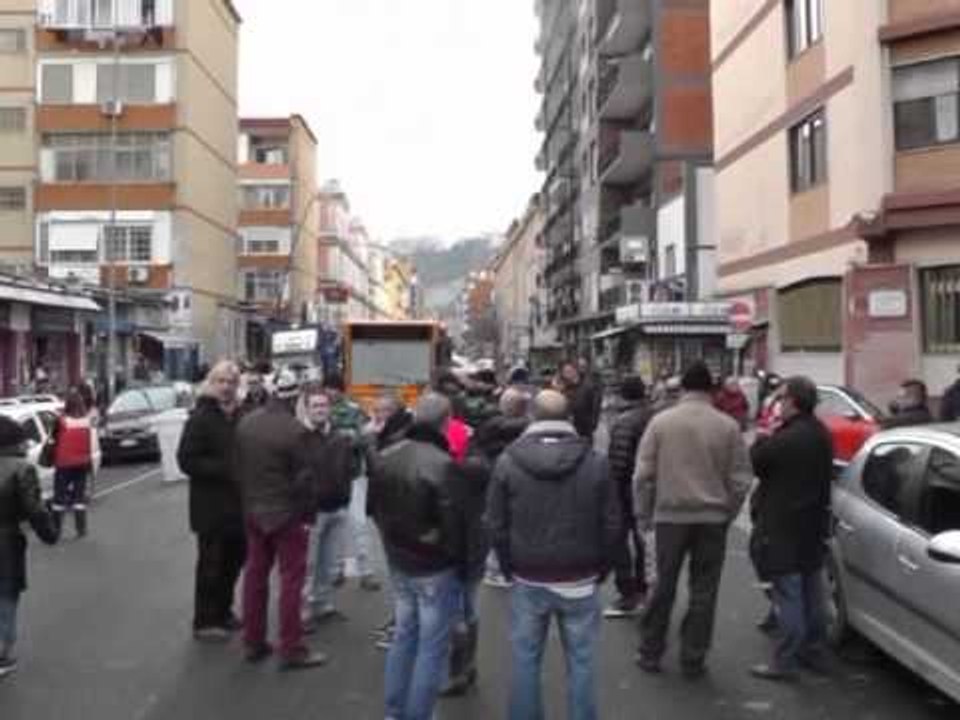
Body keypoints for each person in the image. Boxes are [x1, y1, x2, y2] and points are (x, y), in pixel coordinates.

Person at [487, 390, 620, 720]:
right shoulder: (595, 462)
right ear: (569, 419)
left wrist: (507, 566)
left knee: (525, 658)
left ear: (533, 417)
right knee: (582, 660)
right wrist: (602, 566)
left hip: (528, 573)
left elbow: (496, 524)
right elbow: (612, 523)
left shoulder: (508, 461)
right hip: (580, 574)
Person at [634, 361, 752, 678]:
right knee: (704, 590)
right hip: (711, 519)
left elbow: (643, 477)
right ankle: (693, 656)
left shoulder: (661, 423)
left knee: (663, 585)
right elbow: (741, 480)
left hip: (670, 516)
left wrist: (644, 515)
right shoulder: (727, 426)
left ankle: (651, 651)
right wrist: (727, 514)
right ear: (711, 391)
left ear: (682, 388)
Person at [368, 393, 466, 720]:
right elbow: (452, 523)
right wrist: (456, 560)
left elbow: (375, 509)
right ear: (446, 420)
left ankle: (395, 712)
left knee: (405, 637)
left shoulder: (387, 455)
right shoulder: (443, 463)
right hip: (433, 565)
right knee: (430, 647)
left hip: (400, 559)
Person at [442, 387, 532, 696]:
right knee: (466, 607)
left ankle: (458, 670)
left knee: (454, 610)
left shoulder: (462, 452)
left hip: (450, 546)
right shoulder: (481, 450)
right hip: (475, 542)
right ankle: (465, 667)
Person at [235, 372, 327, 670]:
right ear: (294, 396)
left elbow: (238, 468)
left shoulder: (246, 424)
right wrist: (308, 516)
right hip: (286, 515)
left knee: (255, 577)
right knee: (291, 581)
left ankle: (253, 641)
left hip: (254, 511)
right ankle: (291, 647)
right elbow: (305, 480)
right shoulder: (295, 431)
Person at [749, 376, 833, 681]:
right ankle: (814, 651)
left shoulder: (785, 438)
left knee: (789, 595)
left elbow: (756, 462)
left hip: (783, 525)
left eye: (782, 399)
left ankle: (785, 661)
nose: (778, 404)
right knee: (813, 594)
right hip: (812, 525)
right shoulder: (821, 433)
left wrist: (762, 436)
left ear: (793, 402)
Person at [177, 361, 246, 641]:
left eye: (231, 382)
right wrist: (225, 468)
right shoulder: (201, 417)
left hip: (239, 506)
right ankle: (204, 621)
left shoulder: (240, 414)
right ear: (211, 383)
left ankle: (224, 611)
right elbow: (186, 460)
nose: (226, 387)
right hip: (210, 507)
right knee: (211, 565)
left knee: (234, 562)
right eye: (221, 381)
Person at [0, 416, 60, 679]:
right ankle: (3, 653)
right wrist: (50, 533)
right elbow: (34, 510)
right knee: (6, 596)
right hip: (6, 542)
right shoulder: (22, 469)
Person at [299, 388, 355, 626]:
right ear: (307, 409)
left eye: (323, 405)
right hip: (312, 511)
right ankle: (303, 612)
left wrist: (345, 493)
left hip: (338, 506)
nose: (320, 410)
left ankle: (323, 604)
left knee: (329, 562)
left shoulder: (340, 437)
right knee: (308, 564)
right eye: (315, 406)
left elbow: (350, 467)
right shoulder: (299, 437)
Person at [603, 376, 653, 618]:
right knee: (643, 539)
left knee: (619, 539)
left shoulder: (625, 421)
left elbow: (618, 462)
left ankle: (628, 592)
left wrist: (609, 487)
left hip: (625, 488)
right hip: (649, 486)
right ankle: (644, 588)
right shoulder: (653, 416)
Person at [324, 375, 380, 592]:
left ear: (341, 390)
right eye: (328, 389)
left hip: (353, 474)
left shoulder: (354, 410)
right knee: (334, 526)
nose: (330, 393)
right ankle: (336, 569)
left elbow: (367, 436)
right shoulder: (320, 409)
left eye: (334, 389)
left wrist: (345, 438)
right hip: (329, 476)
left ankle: (366, 571)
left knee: (358, 524)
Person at [50, 389, 94, 538]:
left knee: (59, 497)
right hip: (82, 462)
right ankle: (81, 529)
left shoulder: (61, 421)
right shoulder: (86, 421)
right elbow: (89, 443)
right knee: (79, 497)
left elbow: (53, 438)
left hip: (64, 463)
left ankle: (56, 530)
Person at [560, 360, 602, 441]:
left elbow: (595, 407)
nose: (566, 374)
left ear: (575, 371)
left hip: (584, 431)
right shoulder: (566, 388)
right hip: (569, 430)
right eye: (564, 372)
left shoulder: (589, 386)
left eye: (569, 371)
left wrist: (592, 426)